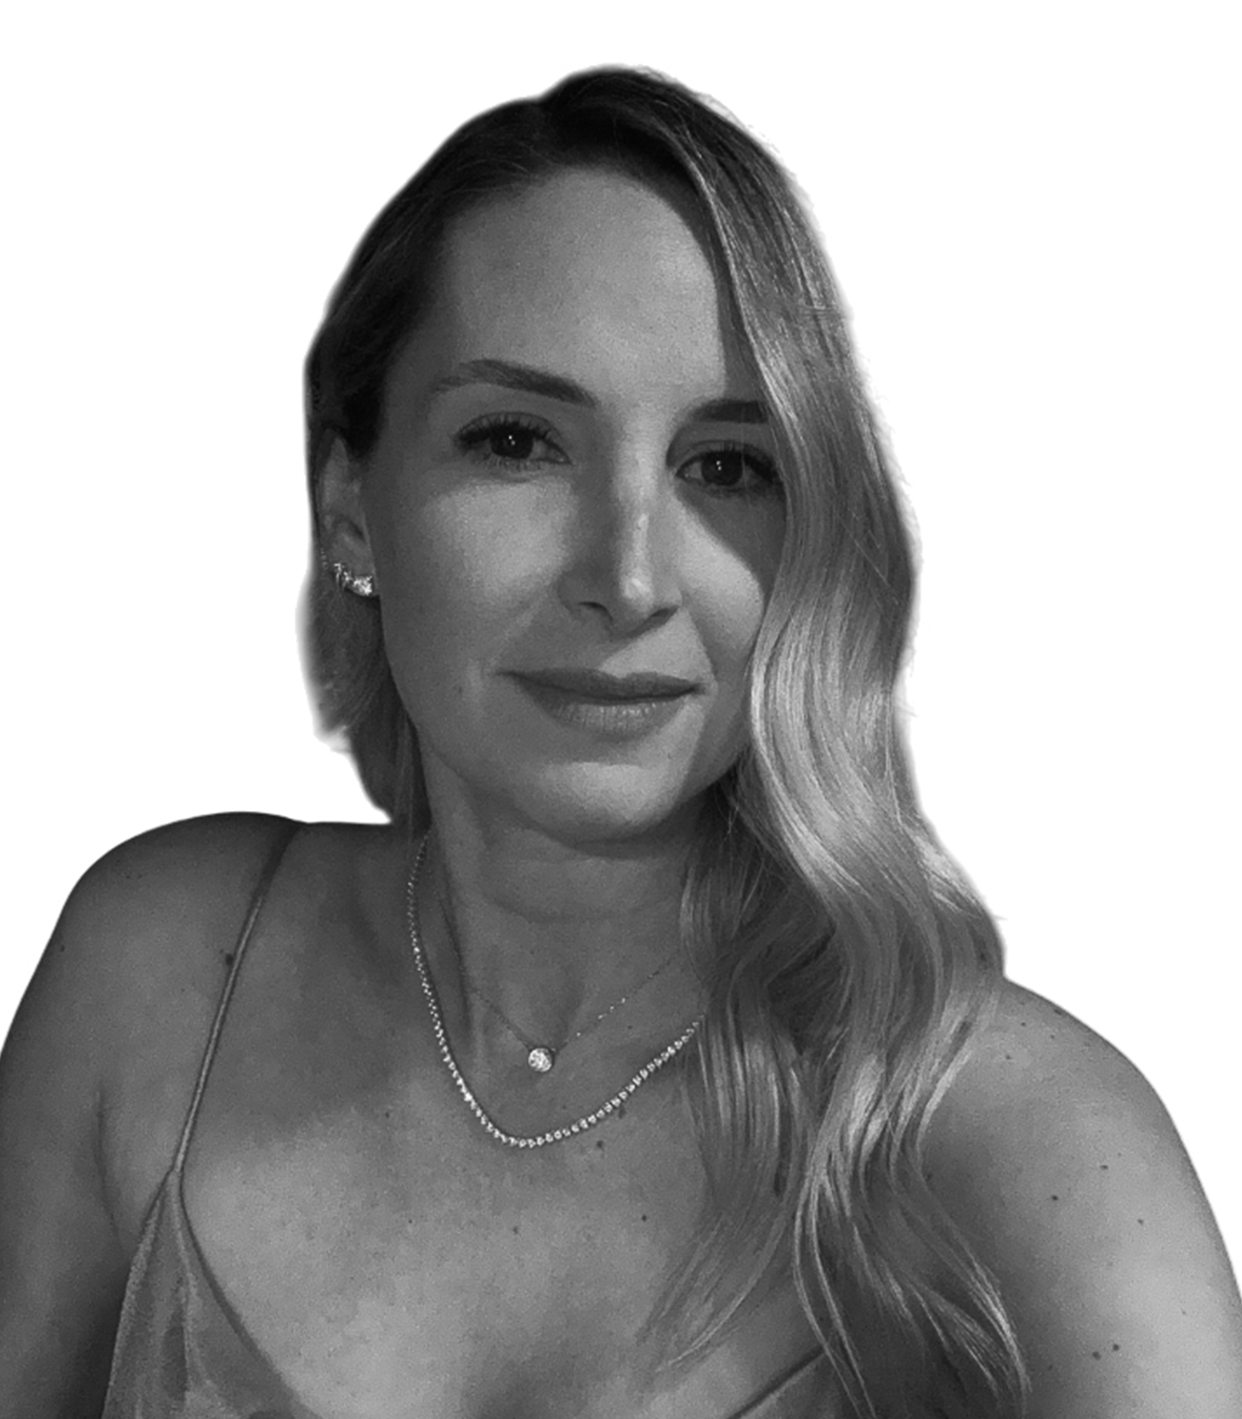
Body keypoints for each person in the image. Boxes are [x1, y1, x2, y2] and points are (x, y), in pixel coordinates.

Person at [1, 66, 1239, 1419]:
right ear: (351, 506)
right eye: (518, 441)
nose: (630, 576)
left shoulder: (1025, 1147)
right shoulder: (166, 972)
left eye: (726, 466)